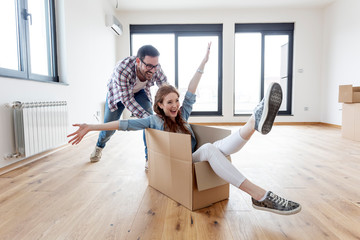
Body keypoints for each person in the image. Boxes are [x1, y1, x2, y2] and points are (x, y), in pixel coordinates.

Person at [68, 43, 301, 215]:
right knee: (211, 149)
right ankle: (260, 195)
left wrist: (204, 62)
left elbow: (191, 88)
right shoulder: (153, 121)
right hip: (182, 162)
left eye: (176, 101)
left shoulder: (183, 115)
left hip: (196, 156)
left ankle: (255, 119)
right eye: (169, 102)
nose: (175, 105)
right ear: (159, 105)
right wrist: (90, 126)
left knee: (221, 146)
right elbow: (121, 124)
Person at [91, 45, 168, 163]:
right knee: (109, 128)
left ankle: (149, 158)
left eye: (155, 66)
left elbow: (165, 88)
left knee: (149, 121)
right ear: (138, 61)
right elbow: (127, 100)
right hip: (118, 95)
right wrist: (150, 119)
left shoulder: (156, 68)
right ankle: (99, 146)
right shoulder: (122, 69)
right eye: (148, 66)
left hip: (140, 92)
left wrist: (170, 107)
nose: (152, 70)